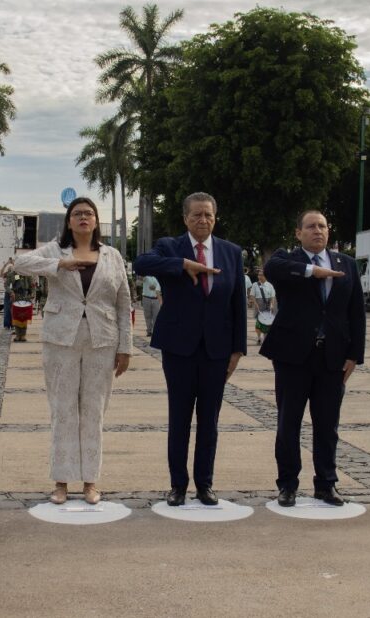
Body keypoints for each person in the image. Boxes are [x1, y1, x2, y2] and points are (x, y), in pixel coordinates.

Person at [14, 197, 132, 505]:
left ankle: (90, 481)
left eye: (89, 214)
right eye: (77, 213)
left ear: (96, 221)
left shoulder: (112, 256)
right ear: (69, 221)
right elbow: (20, 264)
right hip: (60, 340)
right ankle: (61, 481)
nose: (83, 218)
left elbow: (123, 303)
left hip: (102, 340)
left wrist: (126, 348)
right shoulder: (56, 250)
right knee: (63, 409)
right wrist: (58, 265)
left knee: (93, 411)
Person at [134, 192, 247, 507]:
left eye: (208, 215)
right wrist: (182, 264)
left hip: (217, 351)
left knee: (209, 420)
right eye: (196, 215)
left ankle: (205, 484)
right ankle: (177, 485)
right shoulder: (171, 247)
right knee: (180, 419)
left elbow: (238, 304)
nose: (203, 220)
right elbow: (140, 263)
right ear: (185, 218)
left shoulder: (230, 252)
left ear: (215, 217)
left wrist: (237, 350)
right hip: (179, 349)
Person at [262, 210, 364, 507]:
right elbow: (273, 269)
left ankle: (326, 483)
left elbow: (355, 312)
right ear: (298, 233)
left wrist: (355, 354)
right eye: (310, 226)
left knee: (327, 424)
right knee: (288, 423)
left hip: (332, 357)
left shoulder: (347, 264)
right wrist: (312, 272)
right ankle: (288, 484)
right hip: (293, 357)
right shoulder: (288, 259)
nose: (317, 231)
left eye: (322, 226)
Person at [251, 270, 277, 345]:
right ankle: (259, 337)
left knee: (267, 323)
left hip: (268, 304)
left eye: (261, 275)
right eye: (259, 275)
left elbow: (272, 296)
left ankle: (265, 339)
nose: (259, 276)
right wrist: (256, 304)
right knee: (259, 323)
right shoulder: (255, 284)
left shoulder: (270, 285)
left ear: (266, 276)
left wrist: (272, 304)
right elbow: (252, 296)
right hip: (258, 304)